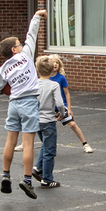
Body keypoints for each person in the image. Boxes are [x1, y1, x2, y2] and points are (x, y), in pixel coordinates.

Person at [0, 9, 46, 199]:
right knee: (28, 143)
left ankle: (6, 175)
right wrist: (37, 16)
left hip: (13, 104)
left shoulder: (3, 68)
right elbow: (32, 34)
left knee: (10, 140)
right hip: (29, 102)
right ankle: (27, 180)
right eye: (19, 44)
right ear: (14, 50)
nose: (22, 45)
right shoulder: (27, 55)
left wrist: (10, 89)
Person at [47, 54, 94, 153]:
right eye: (53, 62)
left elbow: (67, 93)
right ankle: (25, 144)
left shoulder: (61, 78)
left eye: (57, 62)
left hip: (61, 106)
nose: (55, 64)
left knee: (72, 124)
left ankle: (85, 144)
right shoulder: (44, 78)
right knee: (38, 125)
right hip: (48, 107)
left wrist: (69, 108)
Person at [32, 56, 65, 188]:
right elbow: (60, 103)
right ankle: (47, 179)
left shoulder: (34, 84)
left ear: (37, 70)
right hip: (48, 120)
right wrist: (62, 113)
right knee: (50, 150)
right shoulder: (54, 85)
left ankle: (38, 167)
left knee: (45, 145)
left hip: (36, 119)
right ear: (52, 69)